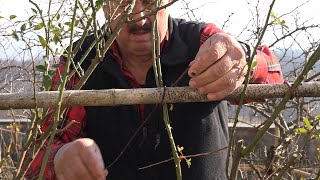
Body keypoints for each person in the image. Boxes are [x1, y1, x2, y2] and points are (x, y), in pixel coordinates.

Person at [26, 0, 283, 179]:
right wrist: (61, 158)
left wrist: (243, 62)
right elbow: (40, 154)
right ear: (105, 7)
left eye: (149, 1)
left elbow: (272, 75)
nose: (138, 16)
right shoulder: (81, 61)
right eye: (124, 4)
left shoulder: (202, 41)